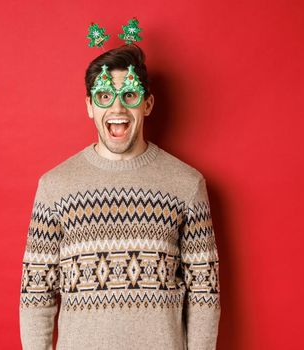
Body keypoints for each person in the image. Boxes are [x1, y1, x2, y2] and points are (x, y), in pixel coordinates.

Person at [19, 42, 221, 350]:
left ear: (147, 104)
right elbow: (36, 295)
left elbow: (204, 294)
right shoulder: (54, 187)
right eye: (104, 96)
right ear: (89, 105)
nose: (117, 109)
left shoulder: (187, 185)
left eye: (129, 95)